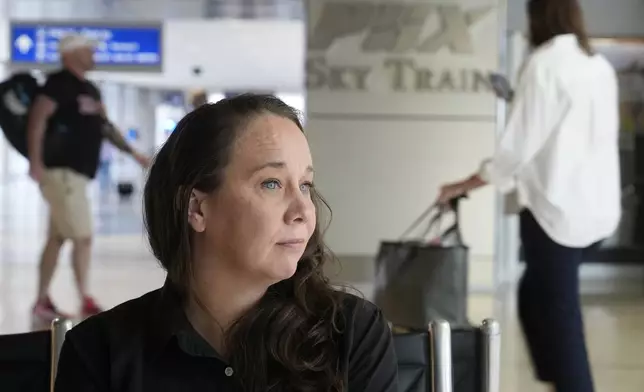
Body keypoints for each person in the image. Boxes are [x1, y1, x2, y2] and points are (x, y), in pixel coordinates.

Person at [54, 94, 398, 391]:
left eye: (305, 185)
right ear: (198, 208)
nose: (303, 211)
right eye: (272, 183)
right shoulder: (99, 353)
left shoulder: (351, 333)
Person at [437, 1, 620, 391]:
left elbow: (514, 151)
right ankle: (555, 376)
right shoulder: (598, 66)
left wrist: (464, 184)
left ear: (539, 16)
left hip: (555, 214)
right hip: (598, 212)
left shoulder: (544, 65)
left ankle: (569, 381)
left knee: (560, 315)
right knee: (532, 295)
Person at [27, 33, 149, 327]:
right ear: (70, 54)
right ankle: (85, 297)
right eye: (87, 50)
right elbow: (37, 120)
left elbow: (106, 127)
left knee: (57, 239)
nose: (93, 54)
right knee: (82, 237)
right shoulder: (57, 84)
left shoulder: (90, 89)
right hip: (61, 173)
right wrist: (35, 162)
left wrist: (135, 155)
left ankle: (41, 300)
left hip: (77, 175)